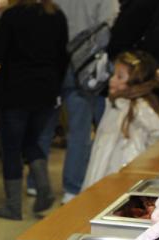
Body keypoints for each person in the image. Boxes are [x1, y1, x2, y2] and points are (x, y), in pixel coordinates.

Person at [0, 0, 68, 221]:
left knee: (12, 148)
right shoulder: (57, 15)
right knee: (31, 141)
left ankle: (13, 206)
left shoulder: (11, 15)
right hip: (45, 89)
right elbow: (63, 56)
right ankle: (43, 188)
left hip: (14, 89)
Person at [49, 0, 118, 203]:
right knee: (90, 130)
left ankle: (39, 184)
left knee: (53, 127)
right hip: (89, 65)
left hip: (57, 62)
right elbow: (109, 26)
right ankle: (75, 187)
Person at [81, 51, 159, 189]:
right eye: (114, 74)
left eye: (119, 77)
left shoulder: (138, 107)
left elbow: (158, 130)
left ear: (136, 81)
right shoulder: (115, 104)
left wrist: (141, 160)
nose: (112, 80)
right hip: (103, 170)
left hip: (123, 173)